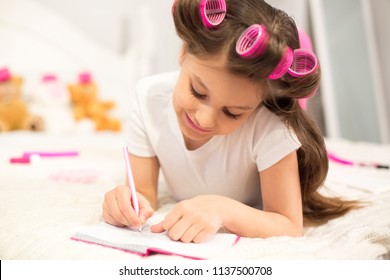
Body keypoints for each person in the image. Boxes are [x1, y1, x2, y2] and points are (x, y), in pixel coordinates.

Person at [102, 0, 358, 243]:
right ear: (183, 52)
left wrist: (222, 209)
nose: (203, 119)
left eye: (233, 112)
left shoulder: (270, 127)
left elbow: (289, 225)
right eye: (198, 92)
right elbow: (144, 194)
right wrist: (127, 203)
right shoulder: (148, 98)